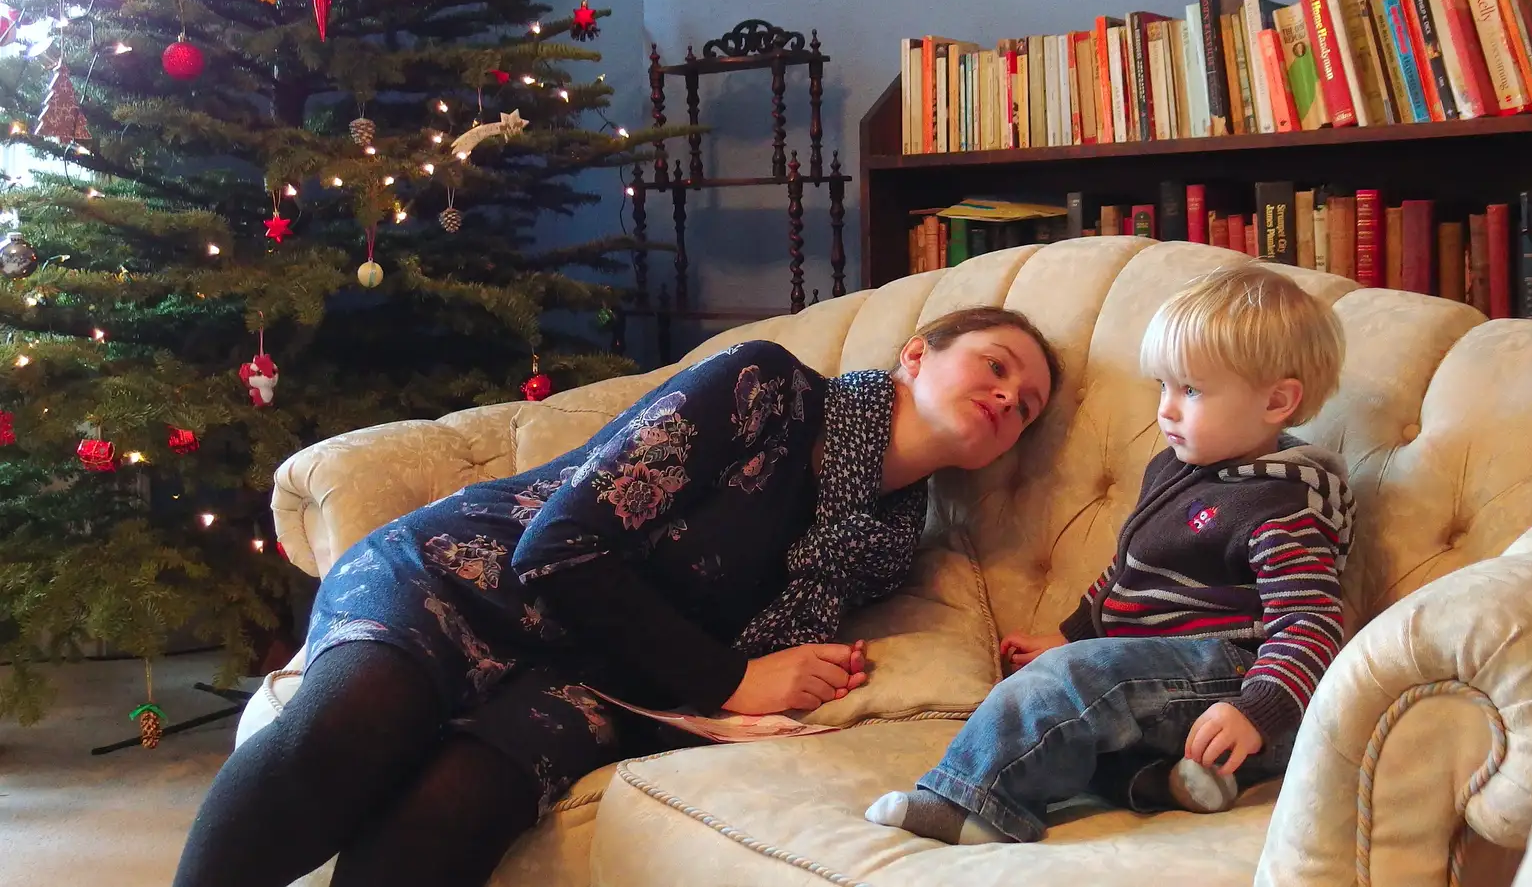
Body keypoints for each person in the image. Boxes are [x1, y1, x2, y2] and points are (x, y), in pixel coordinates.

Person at [174, 306, 1059, 887]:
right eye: (994, 364)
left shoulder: (880, 553)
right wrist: (731, 680)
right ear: (915, 355)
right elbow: (560, 546)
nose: (1006, 396)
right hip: (470, 575)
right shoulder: (764, 389)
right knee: (354, 721)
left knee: (459, 805)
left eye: (1025, 407)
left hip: (600, 681)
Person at [867, 264, 1353, 844]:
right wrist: (1073, 632)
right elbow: (1130, 573)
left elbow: (1311, 621)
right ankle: (1160, 783)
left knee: (1073, 681)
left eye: (1191, 390)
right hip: (1163, 677)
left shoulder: (1283, 503)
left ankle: (970, 802)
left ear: (1277, 401)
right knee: (1088, 721)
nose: (1167, 409)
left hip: (1233, 677)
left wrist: (1260, 709)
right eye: (1164, 387)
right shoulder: (1177, 468)